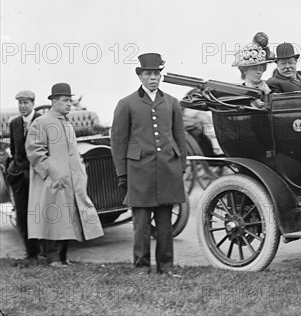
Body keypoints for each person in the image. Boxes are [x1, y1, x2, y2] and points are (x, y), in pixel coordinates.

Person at [111, 53, 186, 277]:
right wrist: (122, 173)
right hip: (139, 171)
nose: (153, 78)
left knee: (165, 223)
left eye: (156, 74)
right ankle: (141, 267)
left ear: (160, 76)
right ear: (140, 77)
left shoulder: (172, 102)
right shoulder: (127, 104)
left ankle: (166, 267)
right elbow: (118, 140)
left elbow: (179, 136)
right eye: (148, 74)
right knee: (141, 223)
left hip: (167, 169)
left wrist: (180, 166)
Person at [26, 83, 104, 267]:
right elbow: (35, 151)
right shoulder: (41, 122)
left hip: (71, 180)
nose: (69, 104)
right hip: (53, 181)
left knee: (68, 219)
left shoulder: (66, 123)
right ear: (54, 102)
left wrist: (80, 168)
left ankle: (63, 258)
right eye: (65, 100)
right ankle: (53, 259)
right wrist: (54, 172)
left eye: (70, 100)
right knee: (55, 218)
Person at [6, 90, 40, 264]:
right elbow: (14, 149)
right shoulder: (15, 123)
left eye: (25, 103)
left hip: (38, 175)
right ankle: (31, 251)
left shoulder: (42, 120)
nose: (22, 106)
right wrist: (16, 170)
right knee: (22, 213)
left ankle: (43, 250)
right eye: (20, 103)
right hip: (20, 176)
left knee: (39, 212)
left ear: (33, 103)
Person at [234, 32, 274, 107]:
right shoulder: (238, 93)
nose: (259, 72)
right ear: (245, 70)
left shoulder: (268, 90)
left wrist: (267, 94)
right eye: (254, 69)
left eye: (261, 69)